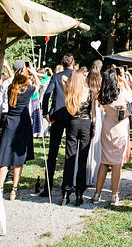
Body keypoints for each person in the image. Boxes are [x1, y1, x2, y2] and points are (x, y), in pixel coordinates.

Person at [93, 68, 132, 205]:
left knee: (104, 161)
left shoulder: (102, 94)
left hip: (107, 127)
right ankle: (114, 194)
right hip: (120, 129)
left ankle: (97, 193)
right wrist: (124, 81)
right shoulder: (121, 93)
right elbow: (131, 97)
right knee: (117, 163)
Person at [0, 68, 36, 199]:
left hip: (10, 122)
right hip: (22, 123)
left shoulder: (10, 90)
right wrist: (32, 72)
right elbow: (38, 85)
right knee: (19, 159)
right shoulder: (28, 90)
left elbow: (12, 81)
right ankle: (14, 189)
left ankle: (0, 187)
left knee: (5, 158)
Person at [40, 54, 74, 197]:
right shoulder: (76, 77)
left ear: (62, 63)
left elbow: (47, 94)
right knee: (69, 152)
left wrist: (46, 112)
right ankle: (66, 187)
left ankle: (48, 186)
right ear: (73, 63)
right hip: (72, 114)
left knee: (52, 152)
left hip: (57, 116)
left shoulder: (56, 76)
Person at [61, 70, 95, 205]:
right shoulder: (90, 91)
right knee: (83, 159)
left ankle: (66, 191)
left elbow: (63, 79)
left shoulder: (70, 91)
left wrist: (70, 80)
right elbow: (92, 111)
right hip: (86, 122)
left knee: (69, 157)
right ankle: (79, 192)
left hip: (73, 121)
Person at [85, 69, 104, 188]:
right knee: (96, 145)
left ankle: (86, 174)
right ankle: (94, 174)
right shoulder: (100, 89)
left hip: (89, 115)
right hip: (97, 114)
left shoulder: (86, 88)